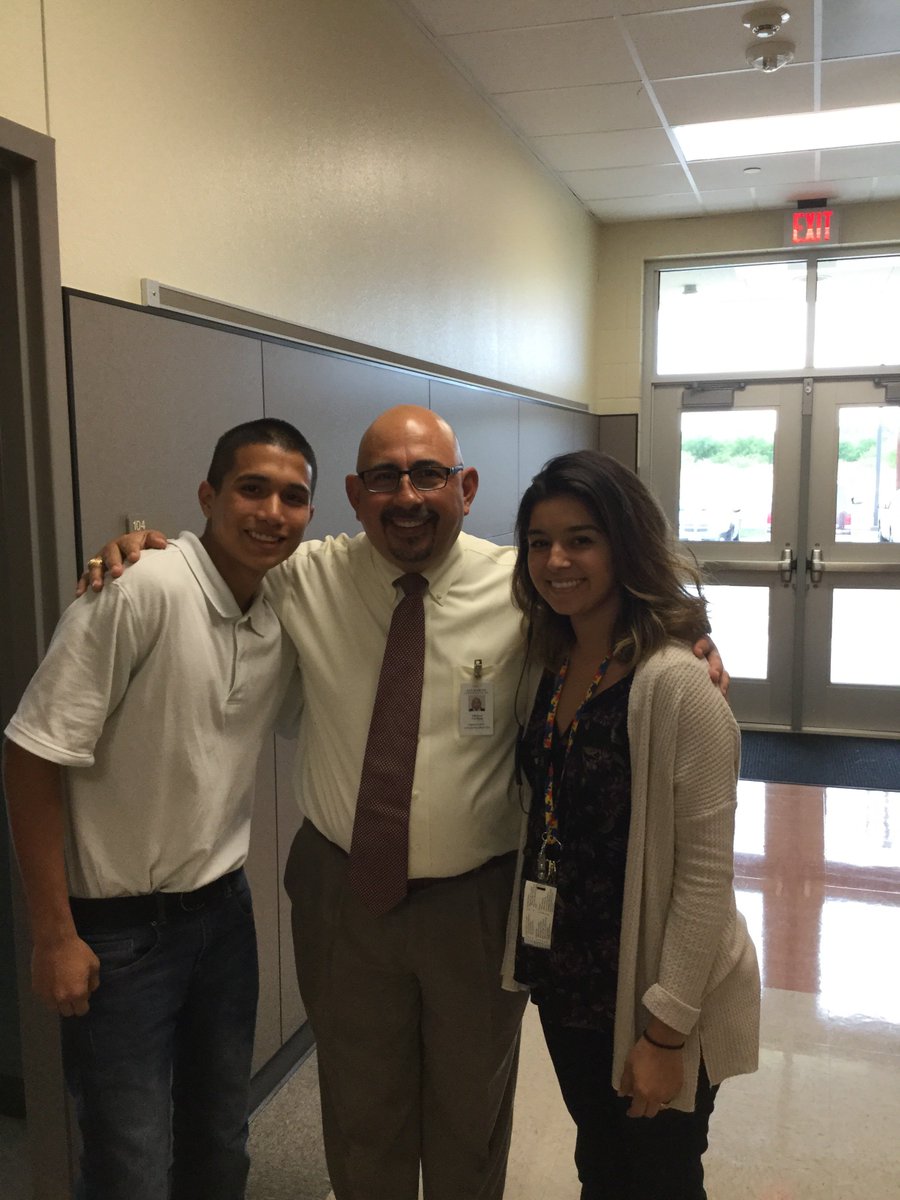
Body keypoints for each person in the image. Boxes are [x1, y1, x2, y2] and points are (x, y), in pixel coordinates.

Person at [79, 405, 729, 1200]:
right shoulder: (303, 574)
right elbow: (225, 551)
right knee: (361, 1112)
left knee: (470, 1117)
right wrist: (143, 547)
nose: (408, 495)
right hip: (342, 893)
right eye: (384, 477)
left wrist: (691, 641)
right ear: (353, 493)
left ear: (466, 487)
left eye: (429, 474)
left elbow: (617, 627)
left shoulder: (525, 588)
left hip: (478, 899)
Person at [3, 418, 317, 1200]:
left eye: (293, 496)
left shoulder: (285, 602)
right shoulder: (139, 590)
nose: (272, 511)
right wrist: (53, 935)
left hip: (223, 916)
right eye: (252, 488)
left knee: (220, 1140)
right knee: (128, 1164)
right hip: (117, 934)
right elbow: (31, 753)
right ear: (208, 496)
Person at [501, 449, 760, 1200]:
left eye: (582, 538)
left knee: (658, 1179)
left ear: (624, 542)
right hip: (570, 977)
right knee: (602, 1163)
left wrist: (665, 1033)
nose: (557, 560)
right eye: (540, 541)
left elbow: (706, 879)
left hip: (653, 986)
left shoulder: (679, 684)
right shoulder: (548, 660)